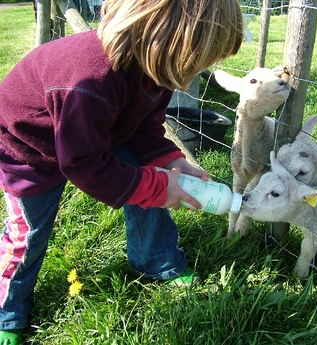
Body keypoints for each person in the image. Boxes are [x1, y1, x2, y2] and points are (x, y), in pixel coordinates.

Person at [0, 0, 243, 343]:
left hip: (96, 133)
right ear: (167, 42)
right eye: (198, 61)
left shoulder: (154, 69)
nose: (197, 72)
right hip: (29, 148)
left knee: (150, 180)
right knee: (29, 231)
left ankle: (156, 259)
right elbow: (83, 164)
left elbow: (145, 127)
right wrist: (158, 187)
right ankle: (7, 311)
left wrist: (170, 162)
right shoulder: (90, 80)